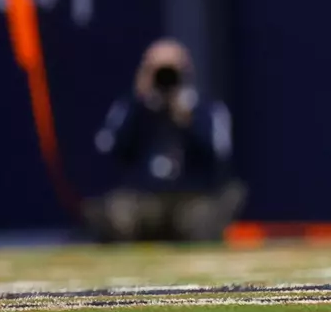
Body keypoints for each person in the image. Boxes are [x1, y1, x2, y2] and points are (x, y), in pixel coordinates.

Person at [83, 38, 245, 243]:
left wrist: (188, 119)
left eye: (171, 70)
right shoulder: (132, 107)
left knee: (203, 218)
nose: (164, 78)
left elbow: (220, 153)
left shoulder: (206, 108)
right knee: (117, 214)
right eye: (156, 70)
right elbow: (110, 148)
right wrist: (140, 103)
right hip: (144, 199)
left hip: (192, 197)